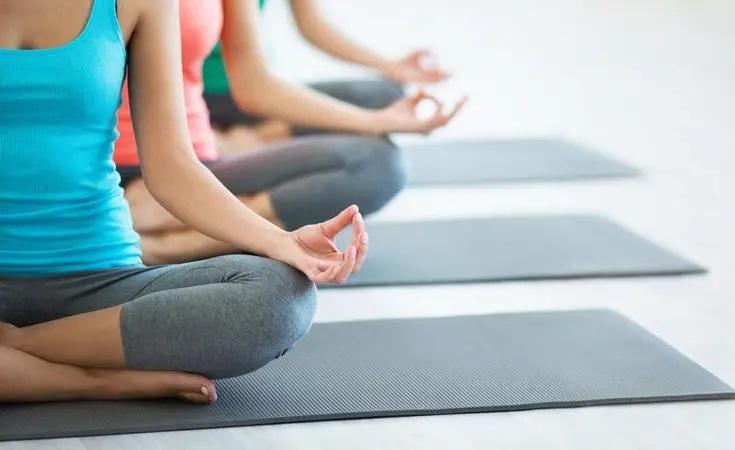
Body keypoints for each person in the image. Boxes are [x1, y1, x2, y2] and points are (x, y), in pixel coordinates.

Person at [0, 0, 366, 404]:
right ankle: (94, 378)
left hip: (99, 283)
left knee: (282, 296)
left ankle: (18, 350)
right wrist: (97, 383)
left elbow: (172, 166)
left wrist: (282, 242)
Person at [114, 0, 465, 265]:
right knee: (377, 164)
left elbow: (257, 81)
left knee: (378, 158)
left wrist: (380, 115)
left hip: (197, 154)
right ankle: (169, 231)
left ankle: (170, 233)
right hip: (147, 159)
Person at [202, 0, 452, 145]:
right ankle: (244, 140)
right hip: (212, 93)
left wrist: (390, 66)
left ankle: (259, 135)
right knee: (374, 130)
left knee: (385, 95)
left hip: (257, 87)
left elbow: (313, 25)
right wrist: (374, 122)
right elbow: (254, 88)